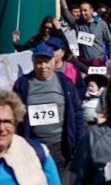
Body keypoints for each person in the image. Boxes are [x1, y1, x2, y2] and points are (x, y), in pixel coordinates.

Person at [13, 44, 85, 177]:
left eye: (46, 62)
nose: (43, 66)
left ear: (53, 61)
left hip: (60, 147)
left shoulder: (65, 82)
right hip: (33, 147)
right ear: (33, 62)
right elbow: (15, 118)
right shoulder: (22, 85)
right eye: (39, 62)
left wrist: (79, 143)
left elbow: (77, 114)